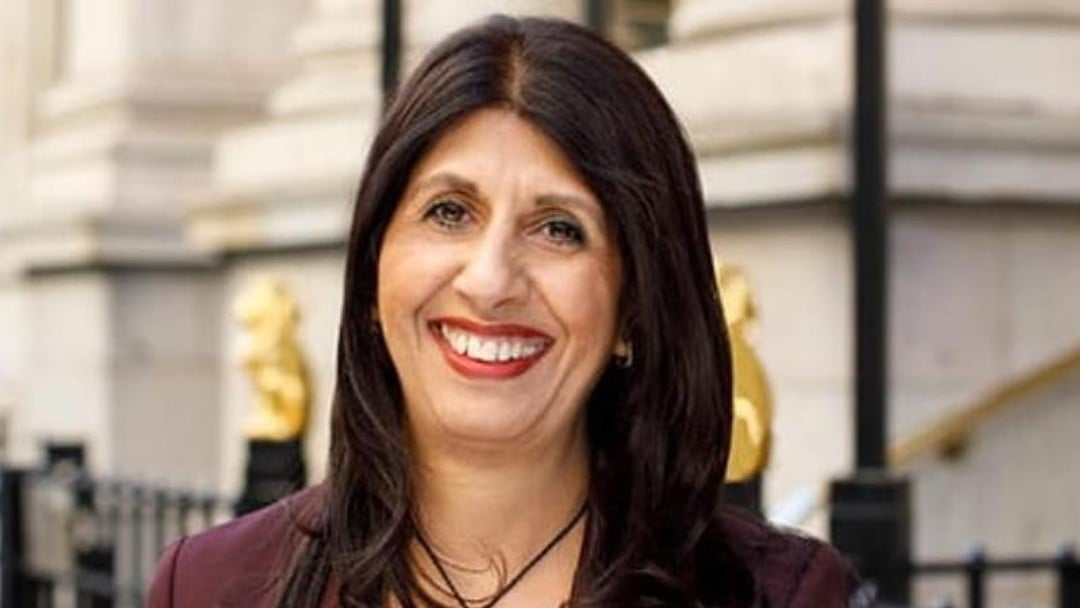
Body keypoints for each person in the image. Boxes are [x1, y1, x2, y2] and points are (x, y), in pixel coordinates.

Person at [147, 15, 856, 608]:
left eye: (560, 229)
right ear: (370, 274)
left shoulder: (775, 597)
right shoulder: (212, 588)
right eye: (449, 212)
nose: (490, 282)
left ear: (634, 308)